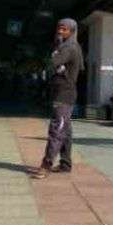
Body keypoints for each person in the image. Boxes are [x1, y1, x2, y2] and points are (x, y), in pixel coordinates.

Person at [31, 18, 84, 179]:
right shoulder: (69, 46)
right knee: (65, 131)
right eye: (59, 28)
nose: (60, 31)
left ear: (72, 31)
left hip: (64, 95)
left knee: (56, 130)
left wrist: (57, 48)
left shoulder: (69, 47)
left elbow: (51, 62)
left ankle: (46, 165)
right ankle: (65, 164)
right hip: (63, 93)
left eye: (64, 29)